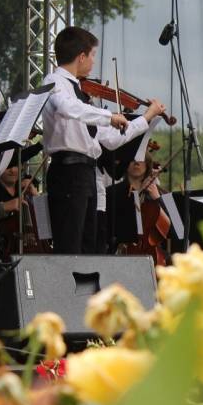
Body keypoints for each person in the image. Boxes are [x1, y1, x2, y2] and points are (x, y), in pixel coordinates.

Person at [41, 26, 166, 254]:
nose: (93, 61)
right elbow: (67, 108)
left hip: (86, 174)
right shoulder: (54, 82)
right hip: (68, 171)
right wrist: (109, 116)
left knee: (88, 246)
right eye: (92, 55)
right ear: (81, 57)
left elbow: (110, 139)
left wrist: (146, 118)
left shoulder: (79, 94)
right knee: (69, 245)